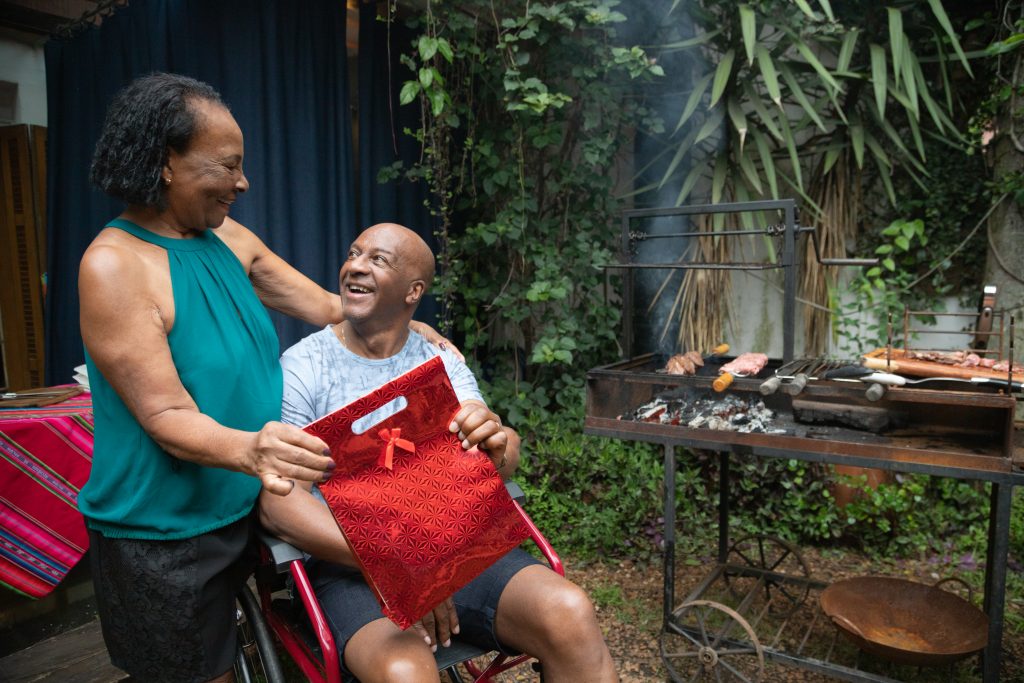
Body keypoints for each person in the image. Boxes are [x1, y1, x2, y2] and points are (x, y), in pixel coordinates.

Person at [79, 73, 451, 683]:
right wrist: (252, 447)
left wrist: (420, 333)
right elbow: (167, 418)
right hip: (165, 531)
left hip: (243, 502)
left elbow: (335, 308)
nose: (242, 182)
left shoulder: (227, 238)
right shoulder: (114, 265)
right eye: (226, 166)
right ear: (166, 163)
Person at [259, 223, 619, 683]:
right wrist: (400, 560)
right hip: (352, 565)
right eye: (353, 253)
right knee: (405, 671)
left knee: (569, 613)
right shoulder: (303, 368)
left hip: (454, 543)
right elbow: (279, 503)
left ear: (413, 292)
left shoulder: (441, 361)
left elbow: (498, 459)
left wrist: (499, 441)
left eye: (378, 260)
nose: (355, 266)